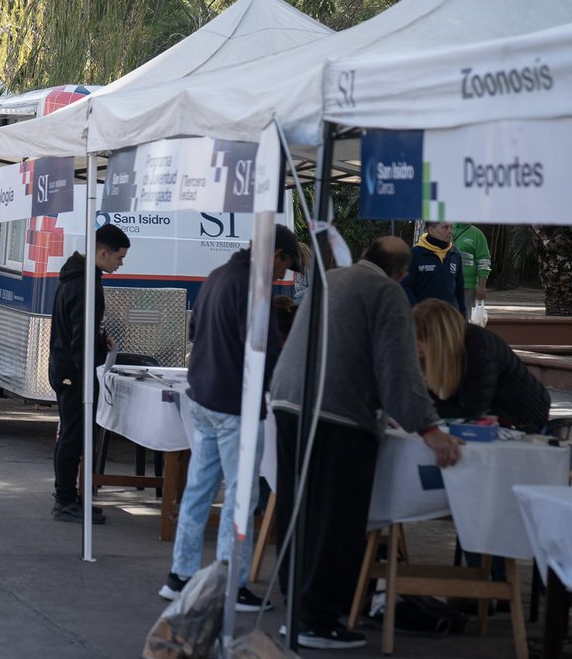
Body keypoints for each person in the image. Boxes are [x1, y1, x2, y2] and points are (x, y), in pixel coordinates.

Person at [270, 236, 463, 650]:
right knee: (336, 520)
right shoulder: (387, 291)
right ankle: (318, 619)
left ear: (364, 256)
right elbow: (399, 367)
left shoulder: (332, 279)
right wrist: (429, 429)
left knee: (297, 510)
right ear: (403, 273)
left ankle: (295, 610)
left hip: (287, 403)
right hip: (336, 415)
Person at [160, 225, 300, 611]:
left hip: (202, 397)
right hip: (235, 406)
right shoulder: (254, 287)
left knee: (199, 490)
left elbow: (193, 331)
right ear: (276, 255)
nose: (283, 276)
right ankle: (231, 584)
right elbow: (265, 351)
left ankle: (180, 575)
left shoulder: (217, 276)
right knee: (242, 497)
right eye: (285, 266)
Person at [47, 222, 131, 524]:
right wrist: (87, 377)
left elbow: (81, 327)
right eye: (119, 258)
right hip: (74, 373)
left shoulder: (82, 276)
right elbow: (79, 337)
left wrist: (100, 339)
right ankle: (65, 499)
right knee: (74, 435)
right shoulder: (85, 283)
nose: (121, 264)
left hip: (68, 369)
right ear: (103, 252)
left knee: (76, 435)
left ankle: (71, 496)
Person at [413, 298, 550, 433]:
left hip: (524, 418)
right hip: (500, 417)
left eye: (420, 339)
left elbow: (471, 411)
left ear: (439, 337)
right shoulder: (455, 346)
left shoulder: (477, 348)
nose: (415, 345)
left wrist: (421, 407)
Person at [401, 221, 466, 317]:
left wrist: (462, 315)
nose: (450, 231)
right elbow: (405, 286)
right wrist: (416, 310)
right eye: (445, 227)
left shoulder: (454, 254)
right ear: (431, 230)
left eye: (451, 227)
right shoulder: (415, 254)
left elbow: (459, 288)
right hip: (424, 318)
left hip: (449, 318)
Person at [452, 223, 491, 318]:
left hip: (467, 286)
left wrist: (482, 287)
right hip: (447, 283)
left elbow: (484, 261)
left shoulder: (477, 234)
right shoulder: (448, 228)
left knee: (464, 318)